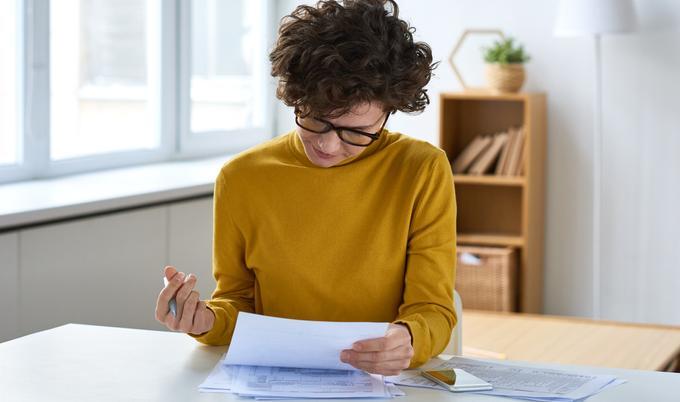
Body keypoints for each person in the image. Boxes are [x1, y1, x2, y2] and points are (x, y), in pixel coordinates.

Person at [155, 0, 456, 376]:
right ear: (295, 97)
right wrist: (204, 322)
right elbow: (237, 304)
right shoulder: (242, 177)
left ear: (388, 111)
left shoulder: (421, 169)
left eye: (355, 132)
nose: (328, 146)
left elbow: (434, 309)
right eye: (315, 121)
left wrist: (410, 338)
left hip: (378, 382)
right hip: (273, 381)